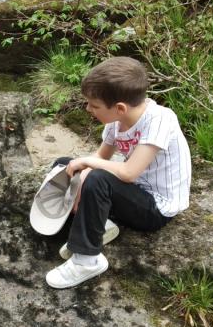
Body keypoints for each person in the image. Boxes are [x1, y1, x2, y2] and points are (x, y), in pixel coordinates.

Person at [45, 56, 191, 289]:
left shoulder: (161, 120)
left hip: (155, 207)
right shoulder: (116, 122)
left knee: (96, 178)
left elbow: (129, 173)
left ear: (120, 108)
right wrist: (82, 168)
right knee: (67, 164)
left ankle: (87, 260)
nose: (88, 109)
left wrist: (88, 167)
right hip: (131, 193)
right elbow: (101, 156)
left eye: (94, 106)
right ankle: (98, 224)